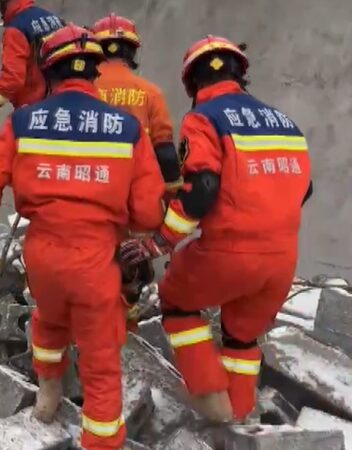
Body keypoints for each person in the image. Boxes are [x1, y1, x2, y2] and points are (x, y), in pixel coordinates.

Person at [0, 24, 165, 449]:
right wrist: (143, 241)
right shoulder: (127, 128)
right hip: (98, 257)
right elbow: (149, 207)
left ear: (49, 72)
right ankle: (101, 441)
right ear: (95, 71)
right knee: (99, 353)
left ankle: (47, 399)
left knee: (49, 320)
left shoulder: (24, 121)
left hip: (43, 254)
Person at [118, 36, 313, 423]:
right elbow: (305, 189)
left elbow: (202, 189)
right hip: (282, 260)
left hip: (229, 253)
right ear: (242, 75)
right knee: (241, 337)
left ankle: (211, 400)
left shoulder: (205, 118)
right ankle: (239, 420)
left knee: (177, 300)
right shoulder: (284, 122)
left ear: (192, 83)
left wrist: (159, 242)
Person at [92, 13, 181, 193]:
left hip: (89, 186)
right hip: (137, 192)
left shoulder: (81, 90)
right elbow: (165, 153)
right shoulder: (151, 93)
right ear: (132, 51)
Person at [0, 0, 64, 134]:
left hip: (36, 116)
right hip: (63, 111)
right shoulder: (54, 20)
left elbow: (12, 80)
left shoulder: (17, 30)